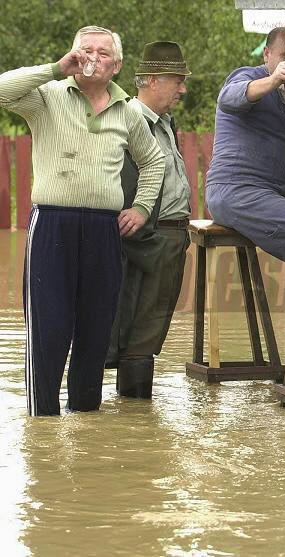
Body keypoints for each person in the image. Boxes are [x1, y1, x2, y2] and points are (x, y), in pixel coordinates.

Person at [0, 26, 165, 416]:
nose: (92, 57)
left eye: (102, 52)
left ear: (117, 64)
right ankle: (43, 422)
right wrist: (56, 68)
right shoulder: (46, 97)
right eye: (84, 50)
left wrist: (141, 207)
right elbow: (3, 90)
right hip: (53, 224)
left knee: (95, 330)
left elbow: (152, 160)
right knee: (49, 328)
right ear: (73, 56)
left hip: (104, 229)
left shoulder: (128, 110)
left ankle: (87, 420)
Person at [204, 26, 285, 356]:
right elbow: (231, 97)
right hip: (235, 191)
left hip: (270, 197)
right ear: (267, 56)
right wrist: (275, 78)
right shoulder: (250, 77)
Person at [106, 41, 191, 399]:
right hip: (147, 238)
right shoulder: (130, 121)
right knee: (137, 333)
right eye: (177, 80)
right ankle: (133, 419)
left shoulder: (164, 122)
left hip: (164, 236)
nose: (183, 89)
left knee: (141, 332)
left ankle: (130, 428)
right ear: (152, 80)